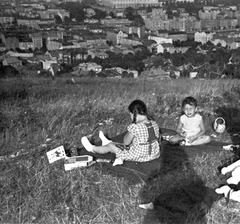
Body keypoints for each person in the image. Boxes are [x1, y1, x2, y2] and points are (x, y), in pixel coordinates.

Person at [81, 99, 161, 166]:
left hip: (141, 156)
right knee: (126, 145)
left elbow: (126, 142)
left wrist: (130, 130)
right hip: (154, 154)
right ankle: (107, 142)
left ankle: (92, 148)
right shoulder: (154, 123)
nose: (130, 117)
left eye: (130, 115)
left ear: (134, 113)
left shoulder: (135, 127)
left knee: (111, 146)